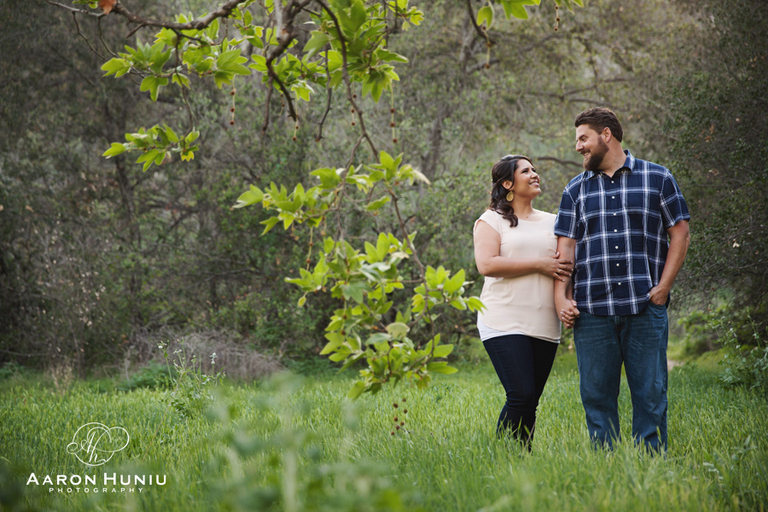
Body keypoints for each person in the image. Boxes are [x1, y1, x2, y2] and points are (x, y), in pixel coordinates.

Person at [553, 108, 690, 452]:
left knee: (650, 393)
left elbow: (681, 233)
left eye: (583, 138)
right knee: (597, 397)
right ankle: (606, 464)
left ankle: (651, 462)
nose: (578, 147)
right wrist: (561, 297)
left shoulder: (657, 178)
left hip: (645, 306)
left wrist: (663, 288)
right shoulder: (574, 190)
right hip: (593, 311)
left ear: (606, 135)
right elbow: (565, 250)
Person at [473, 154, 573, 448]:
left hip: (544, 322)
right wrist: (539, 264)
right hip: (503, 319)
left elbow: (565, 268)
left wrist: (567, 299)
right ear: (508, 183)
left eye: (534, 169)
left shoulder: (554, 222)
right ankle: (503, 456)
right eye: (525, 171)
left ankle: (519, 461)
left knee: (530, 402)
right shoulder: (491, 220)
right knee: (521, 395)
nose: (534, 174)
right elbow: (487, 265)